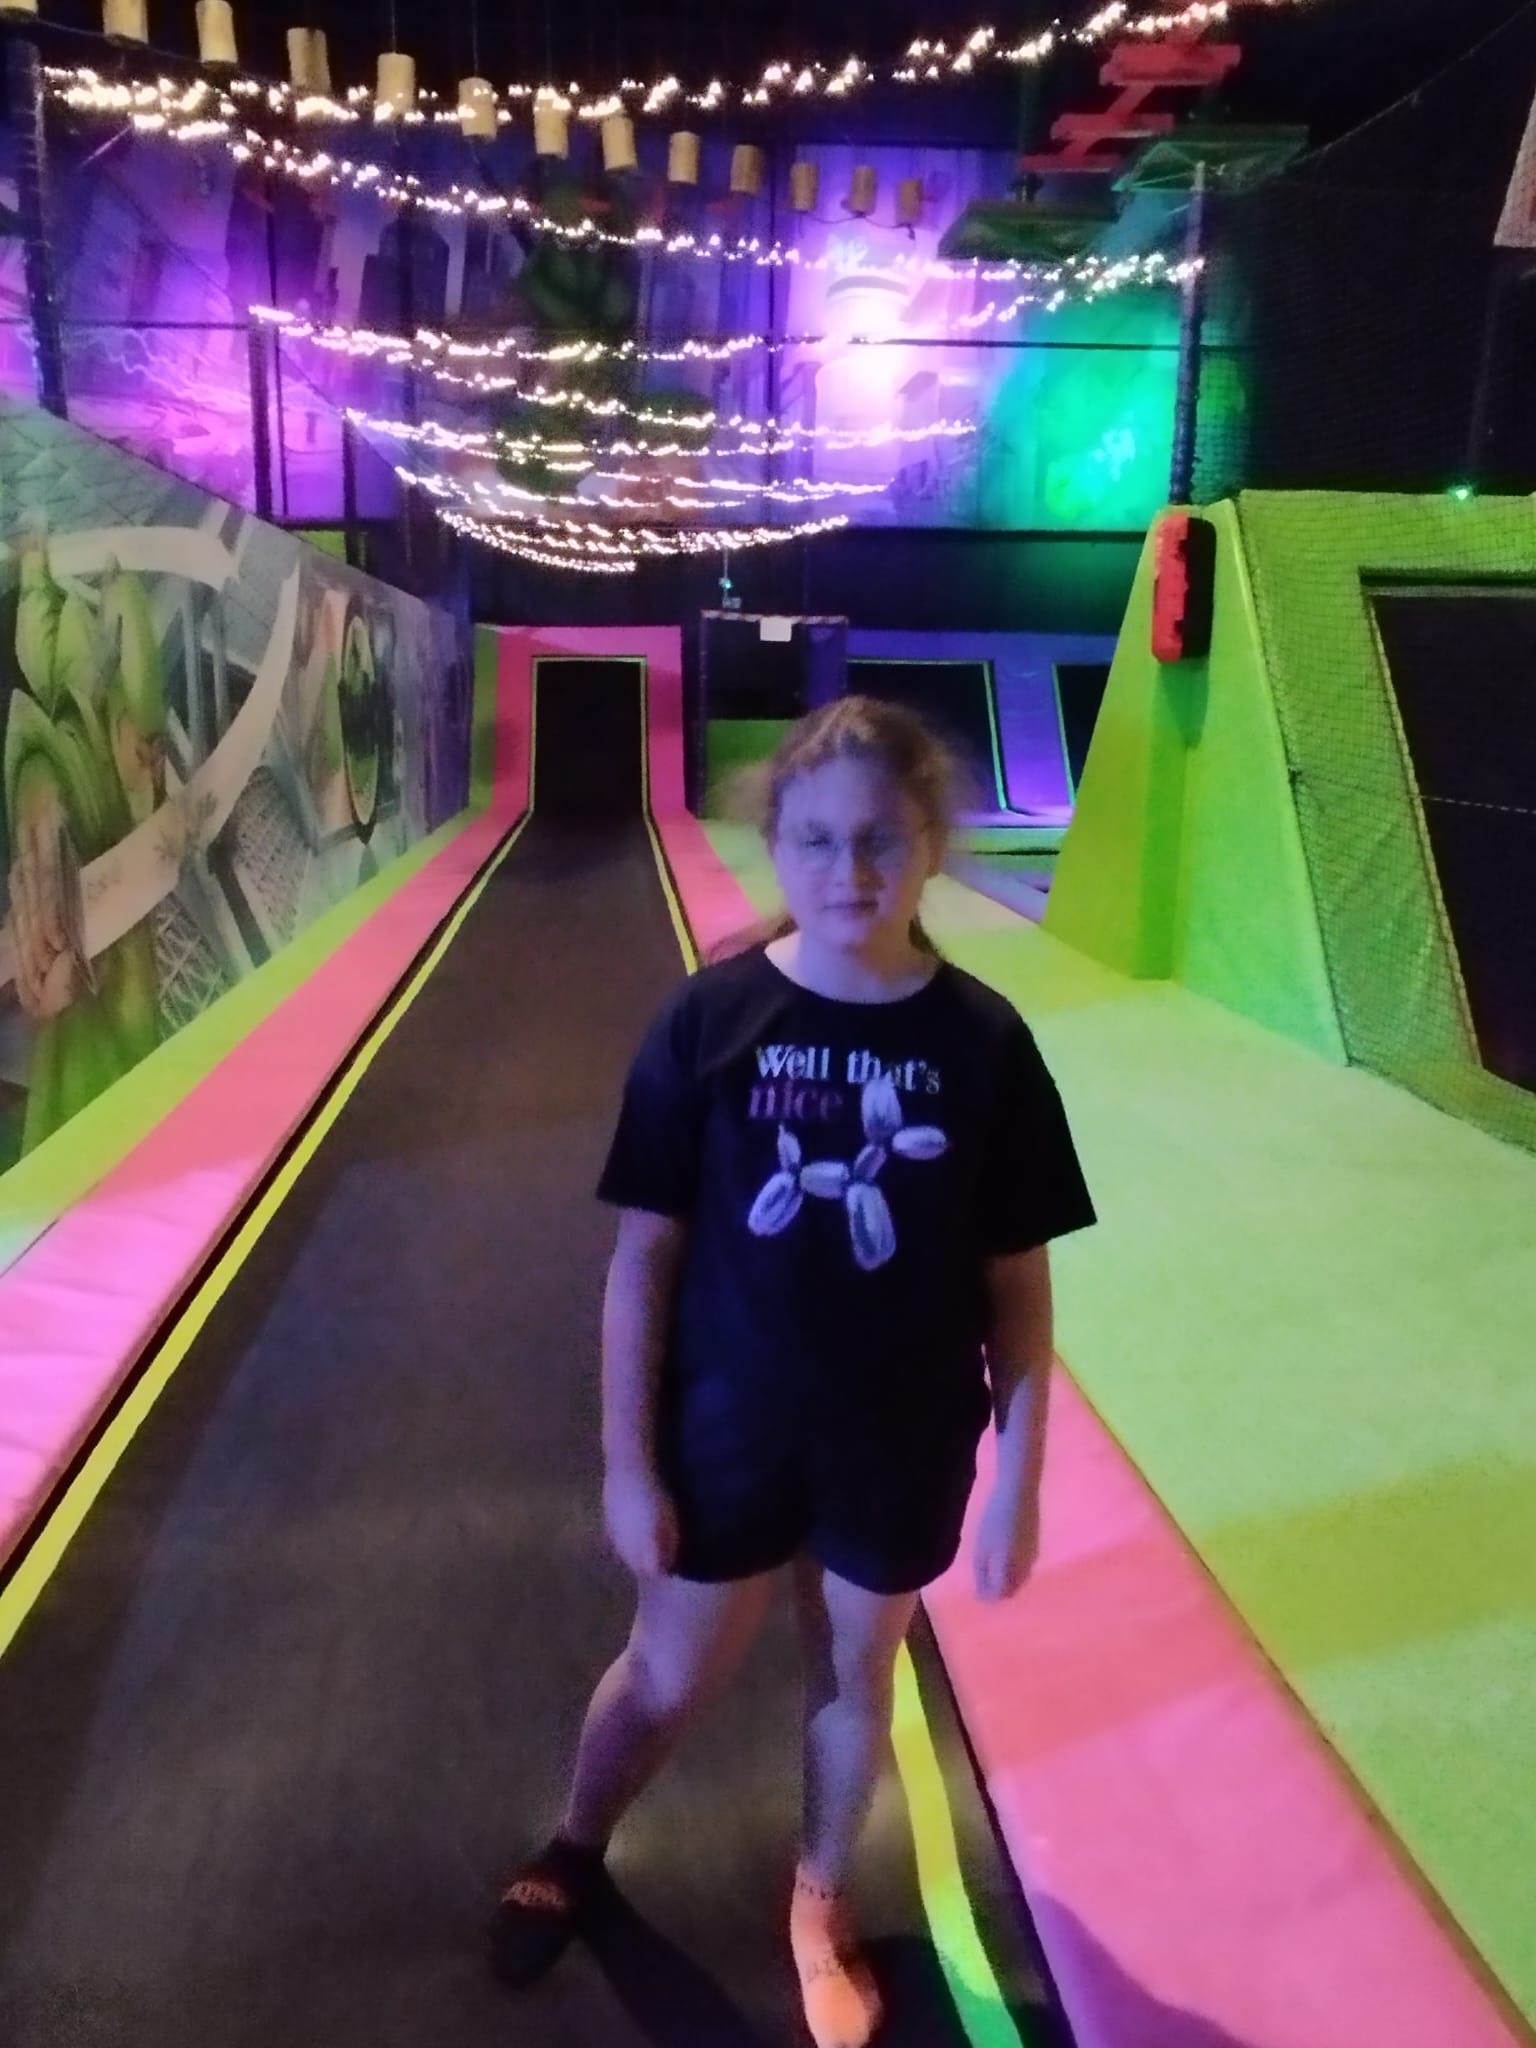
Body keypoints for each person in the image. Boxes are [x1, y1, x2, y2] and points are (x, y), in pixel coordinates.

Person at [487, 696, 1096, 2048]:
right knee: (665, 1672)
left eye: (881, 839)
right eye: (816, 840)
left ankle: (819, 1905)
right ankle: (576, 1843)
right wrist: (628, 1464)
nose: (848, 869)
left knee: (853, 1678)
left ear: (931, 845)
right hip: (728, 1428)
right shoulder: (711, 1020)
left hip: (902, 1440)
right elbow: (644, 1261)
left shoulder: (984, 1045)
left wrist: (1019, 1480)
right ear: (778, 847)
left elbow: (1019, 1284)